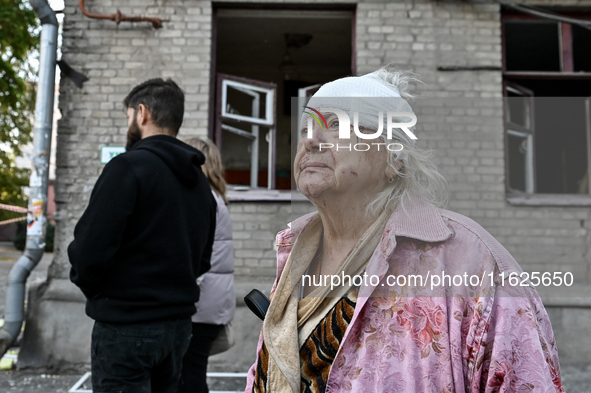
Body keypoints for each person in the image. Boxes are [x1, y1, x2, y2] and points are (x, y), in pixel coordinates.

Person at [244, 66, 564, 392]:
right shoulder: (295, 249)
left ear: (394, 157)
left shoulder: (471, 261)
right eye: (306, 129)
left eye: (337, 125)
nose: (310, 141)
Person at [68, 78, 217, 393]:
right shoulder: (200, 183)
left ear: (142, 112)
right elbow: (203, 258)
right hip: (178, 328)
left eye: (127, 118)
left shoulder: (127, 167)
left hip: (127, 326)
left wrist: (104, 294)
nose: (128, 126)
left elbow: (88, 252)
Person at [179, 137, 236, 393]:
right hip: (211, 301)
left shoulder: (203, 200)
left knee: (188, 375)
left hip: (199, 303)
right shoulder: (215, 198)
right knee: (191, 371)